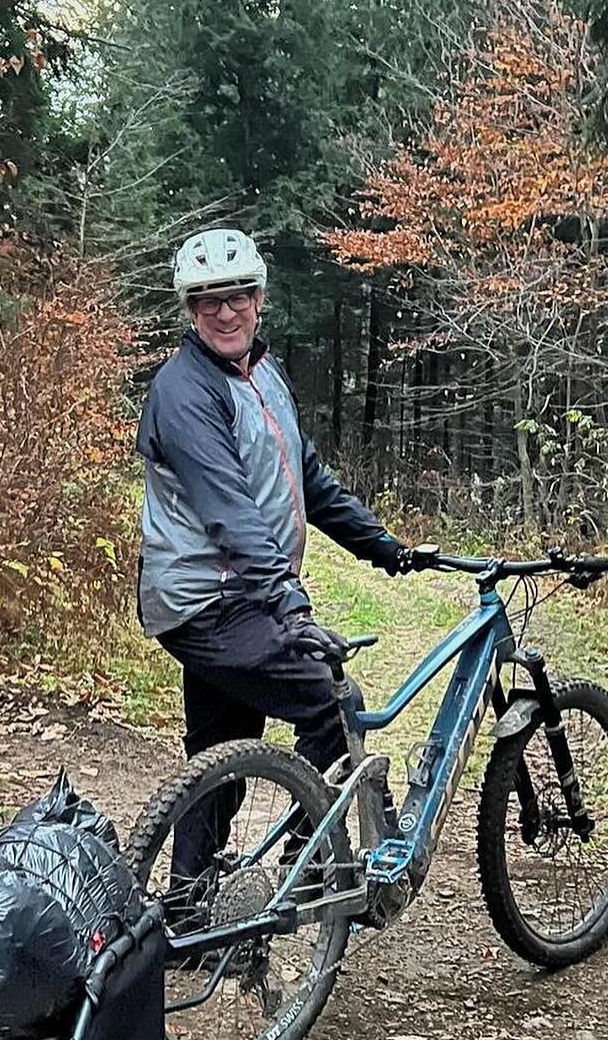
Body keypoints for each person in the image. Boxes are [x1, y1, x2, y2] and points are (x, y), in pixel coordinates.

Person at [136, 226, 427, 878]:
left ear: (258, 298)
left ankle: (187, 904)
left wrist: (386, 548)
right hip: (207, 599)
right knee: (325, 699)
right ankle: (312, 869)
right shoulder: (185, 393)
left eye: (237, 294)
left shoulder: (262, 375)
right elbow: (232, 516)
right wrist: (291, 610)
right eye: (207, 299)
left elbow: (310, 480)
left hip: (238, 596)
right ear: (190, 309)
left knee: (221, 749)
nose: (225, 310)